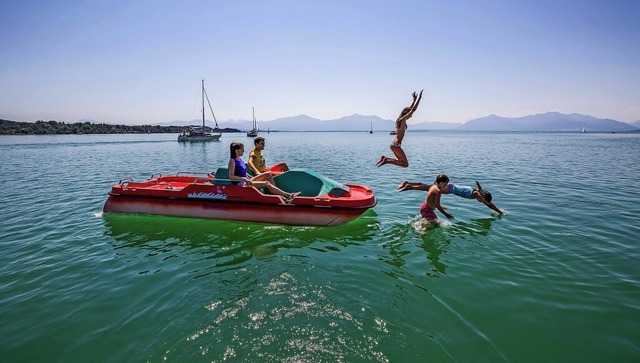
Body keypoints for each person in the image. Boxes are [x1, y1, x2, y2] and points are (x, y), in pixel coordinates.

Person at [227, 141, 299, 203]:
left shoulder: (239, 159)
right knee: (266, 183)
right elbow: (231, 176)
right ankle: (287, 196)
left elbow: (242, 172)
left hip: (247, 180)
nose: (243, 151)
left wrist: (251, 177)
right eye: (242, 149)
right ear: (237, 151)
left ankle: (277, 195)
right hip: (242, 184)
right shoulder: (232, 161)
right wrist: (244, 179)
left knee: (267, 174)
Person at [397, 178, 504, 215]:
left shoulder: (477, 191)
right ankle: (410, 186)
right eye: (484, 200)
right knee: (429, 188)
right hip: (450, 189)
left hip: (451, 187)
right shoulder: (477, 194)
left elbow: (488, 203)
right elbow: (489, 205)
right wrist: (500, 211)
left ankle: (410, 184)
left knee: (429, 187)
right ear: (483, 197)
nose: (483, 202)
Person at [376, 89, 423, 167]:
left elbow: (410, 109)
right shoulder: (402, 120)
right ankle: (387, 161)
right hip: (396, 145)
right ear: (406, 114)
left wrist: (414, 100)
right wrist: (419, 98)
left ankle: (385, 158)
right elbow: (413, 110)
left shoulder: (400, 120)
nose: (411, 116)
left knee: (401, 162)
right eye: (410, 114)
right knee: (405, 164)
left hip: (394, 144)